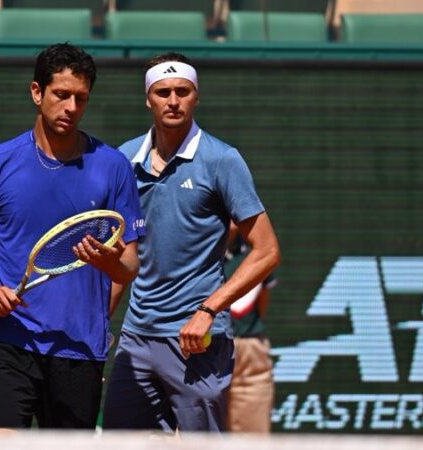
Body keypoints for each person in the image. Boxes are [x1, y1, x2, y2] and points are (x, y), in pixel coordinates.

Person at [0, 43, 144, 432]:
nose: (70, 107)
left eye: (80, 98)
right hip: (7, 343)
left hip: (79, 351)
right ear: (38, 93)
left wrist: (110, 263)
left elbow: (130, 265)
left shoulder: (114, 167)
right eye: (61, 95)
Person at [102, 52, 281, 433]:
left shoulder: (222, 160)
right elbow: (122, 256)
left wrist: (207, 310)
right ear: (148, 98)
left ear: (195, 96)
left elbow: (266, 251)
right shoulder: (123, 160)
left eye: (182, 91)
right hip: (136, 339)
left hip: (197, 340)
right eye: (163, 91)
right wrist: (98, 324)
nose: (173, 100)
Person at [224, 225, 276, 434]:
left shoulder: (257, 251)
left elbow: (262, 300)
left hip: (247, 349)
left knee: (251, 438)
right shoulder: (182, 249)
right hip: (192, 352)